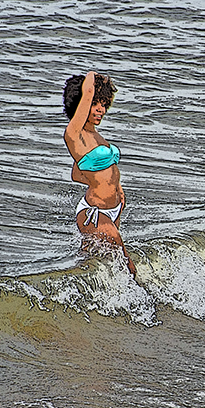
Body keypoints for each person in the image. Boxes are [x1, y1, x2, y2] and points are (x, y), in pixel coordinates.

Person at [63, 70, 136, 277]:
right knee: (126, 264)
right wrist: (96, 76)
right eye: (96, 104)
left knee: (94, 263)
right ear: (82, 104)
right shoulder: (75, 135)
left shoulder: (95, 136)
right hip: (95, 214)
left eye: (104, 104)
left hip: (113, 209)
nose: (101, 110)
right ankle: (144, 303)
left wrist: (118, 190)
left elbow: (77, 174)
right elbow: (87, 90)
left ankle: (86, 299)